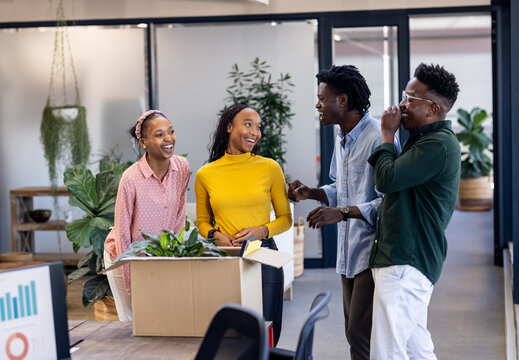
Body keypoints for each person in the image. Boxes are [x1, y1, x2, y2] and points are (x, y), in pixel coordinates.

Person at [288, 65, 399, 360]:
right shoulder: (343, 138)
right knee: (354, 332)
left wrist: (343, 213)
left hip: (374, 251)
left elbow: (391, 200)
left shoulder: (378, 138)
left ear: (344, 101)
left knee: (360, 334)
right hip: (348, 250)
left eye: (322, 99)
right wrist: (312, 193)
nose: (318, 105)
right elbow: (342, 187)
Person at [367, 63, 461, 359]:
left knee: (387, 350)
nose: (401, 105)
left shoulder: (437, 145)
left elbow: (387, 180)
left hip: (407, 261)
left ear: (432, 109)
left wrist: (385, 133)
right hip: (406, 260)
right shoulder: (424, 139)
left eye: (409, 99)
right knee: (414, 346)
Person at [195, 103, 292, 345]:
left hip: (264, 256)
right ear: (229, 127)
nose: (254, 132)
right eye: (248, 124)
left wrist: (261, 230)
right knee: (230, 333)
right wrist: (215, 234)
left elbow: (285, 219)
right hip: (226, 258)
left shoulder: (270, 168)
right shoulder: (206, 174)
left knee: (266, 330)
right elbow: (203, 222)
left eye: (258, 127)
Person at [103, 110, 190, 321]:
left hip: (159, 256)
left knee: (159, 320)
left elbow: (179, 217)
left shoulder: (182, 167)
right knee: (132, 322)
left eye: (171, 131)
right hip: (124, 257)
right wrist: (133, 285)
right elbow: (123, 234)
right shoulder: (131, 178)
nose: (169, 138)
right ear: (143, 143)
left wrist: (171, 256)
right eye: (159, 134)